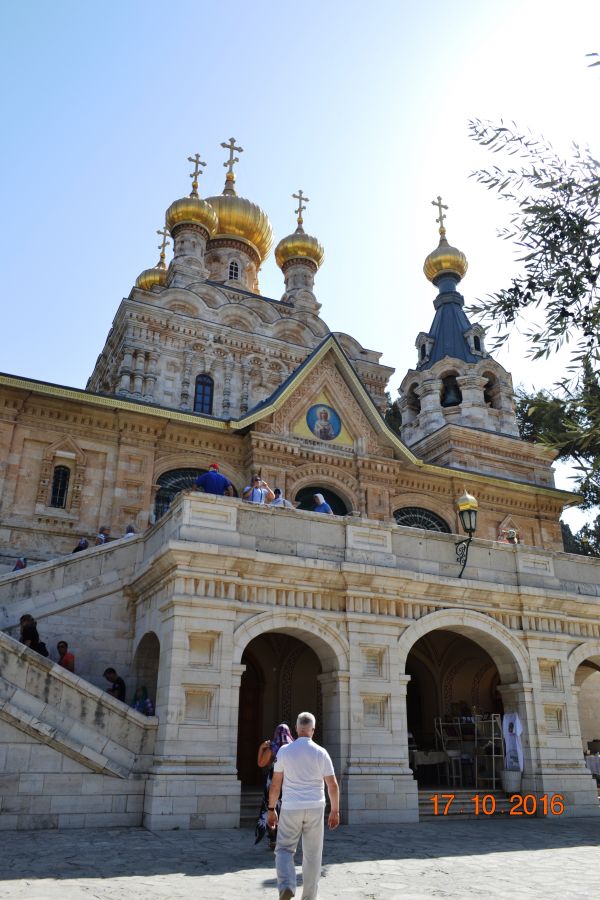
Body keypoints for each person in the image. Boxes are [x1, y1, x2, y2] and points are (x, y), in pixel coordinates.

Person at [268, 711, 340, 900]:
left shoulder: (284, 751)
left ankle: (287, 885)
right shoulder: (321, 752)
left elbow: (275, 784)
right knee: (313, 855)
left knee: (284, 849)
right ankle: (309, 897)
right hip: (316, 806)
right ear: (313, 730)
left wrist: (271, 809)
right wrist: (335, 810)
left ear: (296, 729)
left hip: (291, 807)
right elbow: (332, 785)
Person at [255, 724, 294, 850]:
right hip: (288, 782)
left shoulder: (272, 747)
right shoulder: (293, 747)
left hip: (272, 782)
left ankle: (273, 839)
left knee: (271, 808)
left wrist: (261, 748)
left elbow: (261, 763)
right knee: (285, 809)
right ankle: (285, 838)